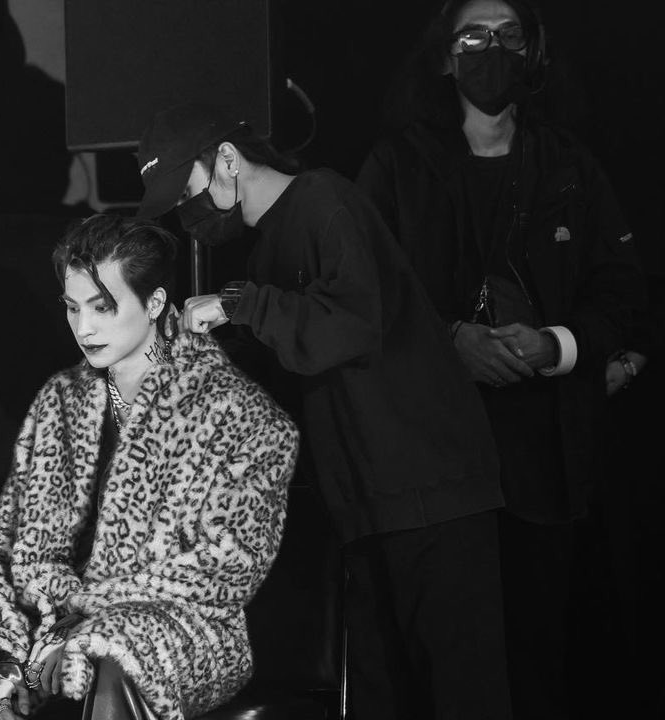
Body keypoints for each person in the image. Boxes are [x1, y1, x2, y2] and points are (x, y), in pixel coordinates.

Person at [0, 214, 299, 720]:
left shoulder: (237, 414)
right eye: (72, 307)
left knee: (110, 655)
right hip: (40, 633)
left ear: (154, 303)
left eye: (103, 307)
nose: (84, 327)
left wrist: (83, 621)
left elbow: (230, 567)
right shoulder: (60, 403)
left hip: (182, 632)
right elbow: (4, 549)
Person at [136, 101, 511, 719]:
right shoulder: (265, 252)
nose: (186, 212)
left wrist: (239, 306)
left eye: (186, 191)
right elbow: (284, 377)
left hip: (432, 491)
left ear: (227, 159)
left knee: (462, 692)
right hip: (366, 504)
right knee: (380, 693)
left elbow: (352, 323)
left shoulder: (323, 200)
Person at [355, 1, 645, 716]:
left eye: (510, 35)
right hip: (437, 466)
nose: (493, 50)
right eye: (475, 36)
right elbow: (361, 295)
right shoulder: (398, 165)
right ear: (445, 55)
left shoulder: (568, 163)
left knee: (540, 658)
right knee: (453, 662)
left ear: (535, 52)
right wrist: (452, 339)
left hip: (547, 463)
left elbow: (623, 289)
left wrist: (558, 346)